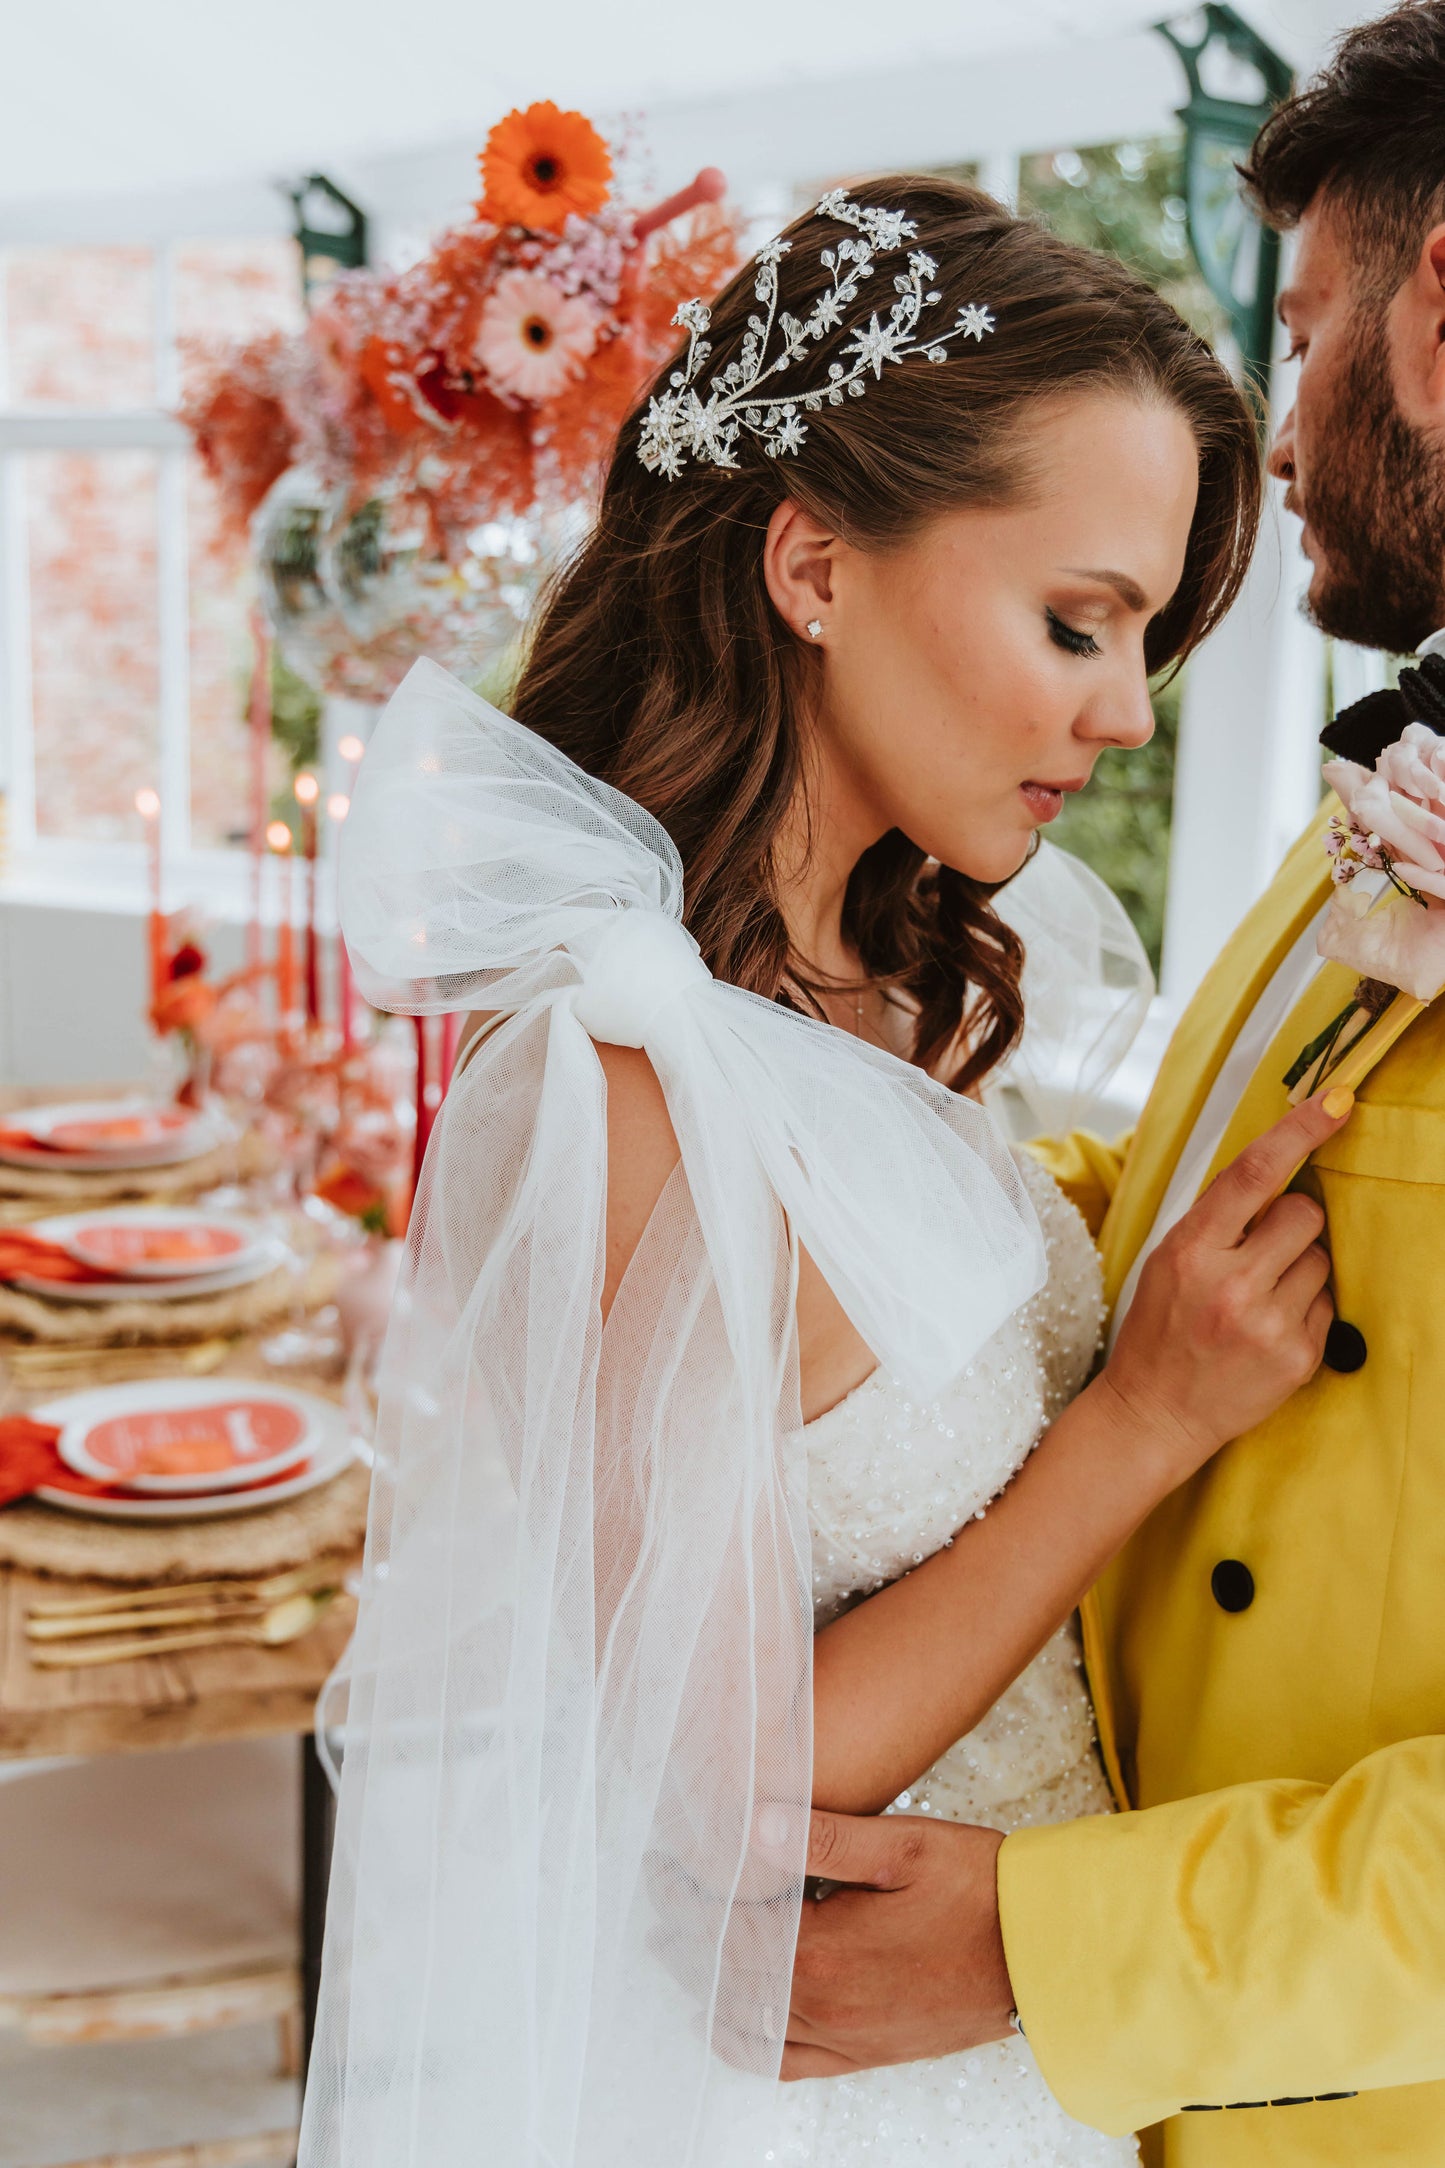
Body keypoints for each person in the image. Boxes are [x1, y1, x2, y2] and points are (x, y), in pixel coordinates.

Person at [300, 178, 1344, 2168]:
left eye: (1145, 647)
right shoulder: (610, 1072)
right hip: (832, 2093)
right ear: (813, 565)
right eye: (1077, 624)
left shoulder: (881, 984)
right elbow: (720, 1773)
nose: (1123, 717)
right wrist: (1147, 1422)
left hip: (1035, 2050)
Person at [782, 9, 1445, 2165]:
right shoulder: (1393, 800)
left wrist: (1052, 1948)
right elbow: (1225, 1194)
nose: (1291, 414)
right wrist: (860, 1140)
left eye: (1315, 330)